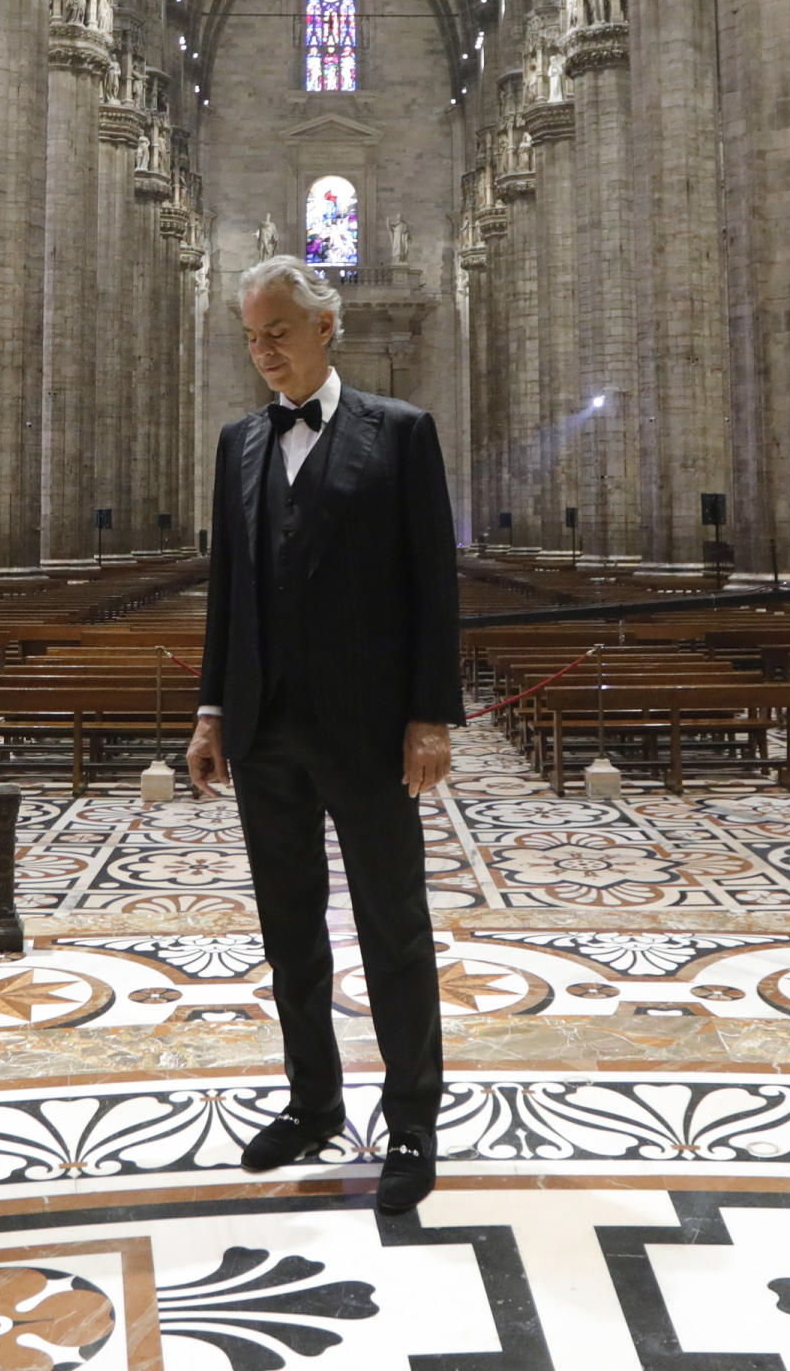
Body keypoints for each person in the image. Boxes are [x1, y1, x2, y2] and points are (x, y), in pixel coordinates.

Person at [188, 254, 460, 1215]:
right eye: (252, 336)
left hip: (369, 730)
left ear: (324, 328)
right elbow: (231, 591)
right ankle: (311, 1102)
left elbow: (435, 588)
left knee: (394, 929)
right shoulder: (239, 445)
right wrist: (213, 710)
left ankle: (413, 1120)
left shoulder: (401, 433)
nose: (264, 352)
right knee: (290, 932)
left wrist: (429, 716)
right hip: (266, 734)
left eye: (278, 332)